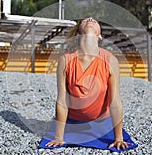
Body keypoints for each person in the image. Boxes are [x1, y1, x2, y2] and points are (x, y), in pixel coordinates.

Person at [39, 17, 138, 152]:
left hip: (101, 121)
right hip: (73, 120)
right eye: (85, 21)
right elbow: (62, 100)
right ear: (78, 34)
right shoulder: (65, 60)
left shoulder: (110, 60)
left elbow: (115, 101)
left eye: (95, 21)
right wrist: (58, 137)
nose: (91, 19)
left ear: (100, 36)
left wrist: (118, 138)